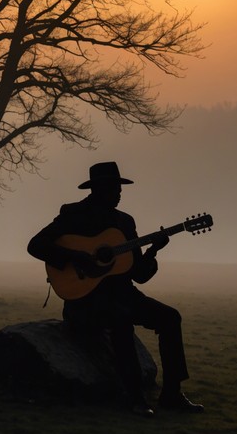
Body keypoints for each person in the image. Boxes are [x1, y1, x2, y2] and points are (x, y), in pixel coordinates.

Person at [27, 161, 203, 417]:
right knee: (120, 321)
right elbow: (35, 245)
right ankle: (134, 398)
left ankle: (172, 394)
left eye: (120, 188)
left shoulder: (124, 222)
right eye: (113, 188)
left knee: (170, 317)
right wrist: (75, 257)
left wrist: (154, 249)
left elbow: (138, 274)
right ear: (97, 189)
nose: (119, 193)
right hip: (85, 300)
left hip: (124, 294)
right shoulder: (73, 215)